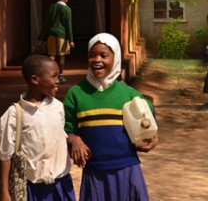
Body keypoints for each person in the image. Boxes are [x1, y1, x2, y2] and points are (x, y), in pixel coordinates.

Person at [64, 33, 158, 200]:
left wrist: (153, 137)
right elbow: (66, 128)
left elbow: (149, 117)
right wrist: (74, 139)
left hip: (127, 169)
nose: (97, 60)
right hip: (94, 172)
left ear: (116, 58)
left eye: (103, 55)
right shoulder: (76, 94)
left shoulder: (128, 94)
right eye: (92, 55)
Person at [0, 54, 75, 201]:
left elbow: (62, 137)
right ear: (35, 79)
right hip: (31, 189)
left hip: (61, 184)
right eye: (54, 76)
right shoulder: (14, 114)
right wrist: (5, 192)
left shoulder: (58, 107)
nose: (58, 81)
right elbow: (6, 154)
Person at [40, 0, 74, 83]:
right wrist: (71, 40)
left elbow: (47, 22)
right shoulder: (67, 9)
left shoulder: (52, 7)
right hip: (62, 36)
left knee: (51, 55)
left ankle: (50, 74)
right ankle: (60, 75)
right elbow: (68, 25)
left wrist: (42, 36)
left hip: (51, 35)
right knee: (61, 56)